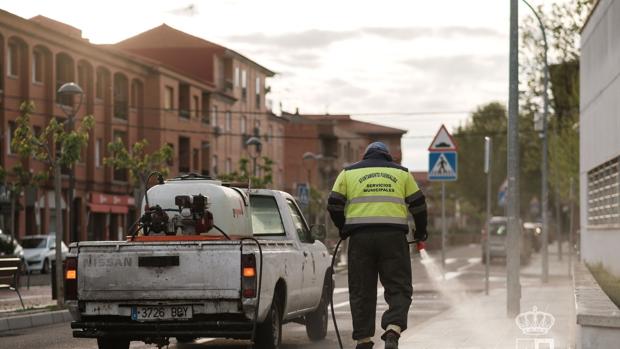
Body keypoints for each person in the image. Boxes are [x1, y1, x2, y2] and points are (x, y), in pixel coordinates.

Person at [327, 142, 428, 349]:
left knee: (361, 290)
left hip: (360, 239)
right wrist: (420, 231)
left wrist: (343, 226)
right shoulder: (402, 174)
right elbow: (419, 205)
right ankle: (393, 329)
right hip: (393, 238)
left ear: (365, 156)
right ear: (388, 157)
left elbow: (334, 203)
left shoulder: (348, 173)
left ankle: (363, 340)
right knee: (398, 286)